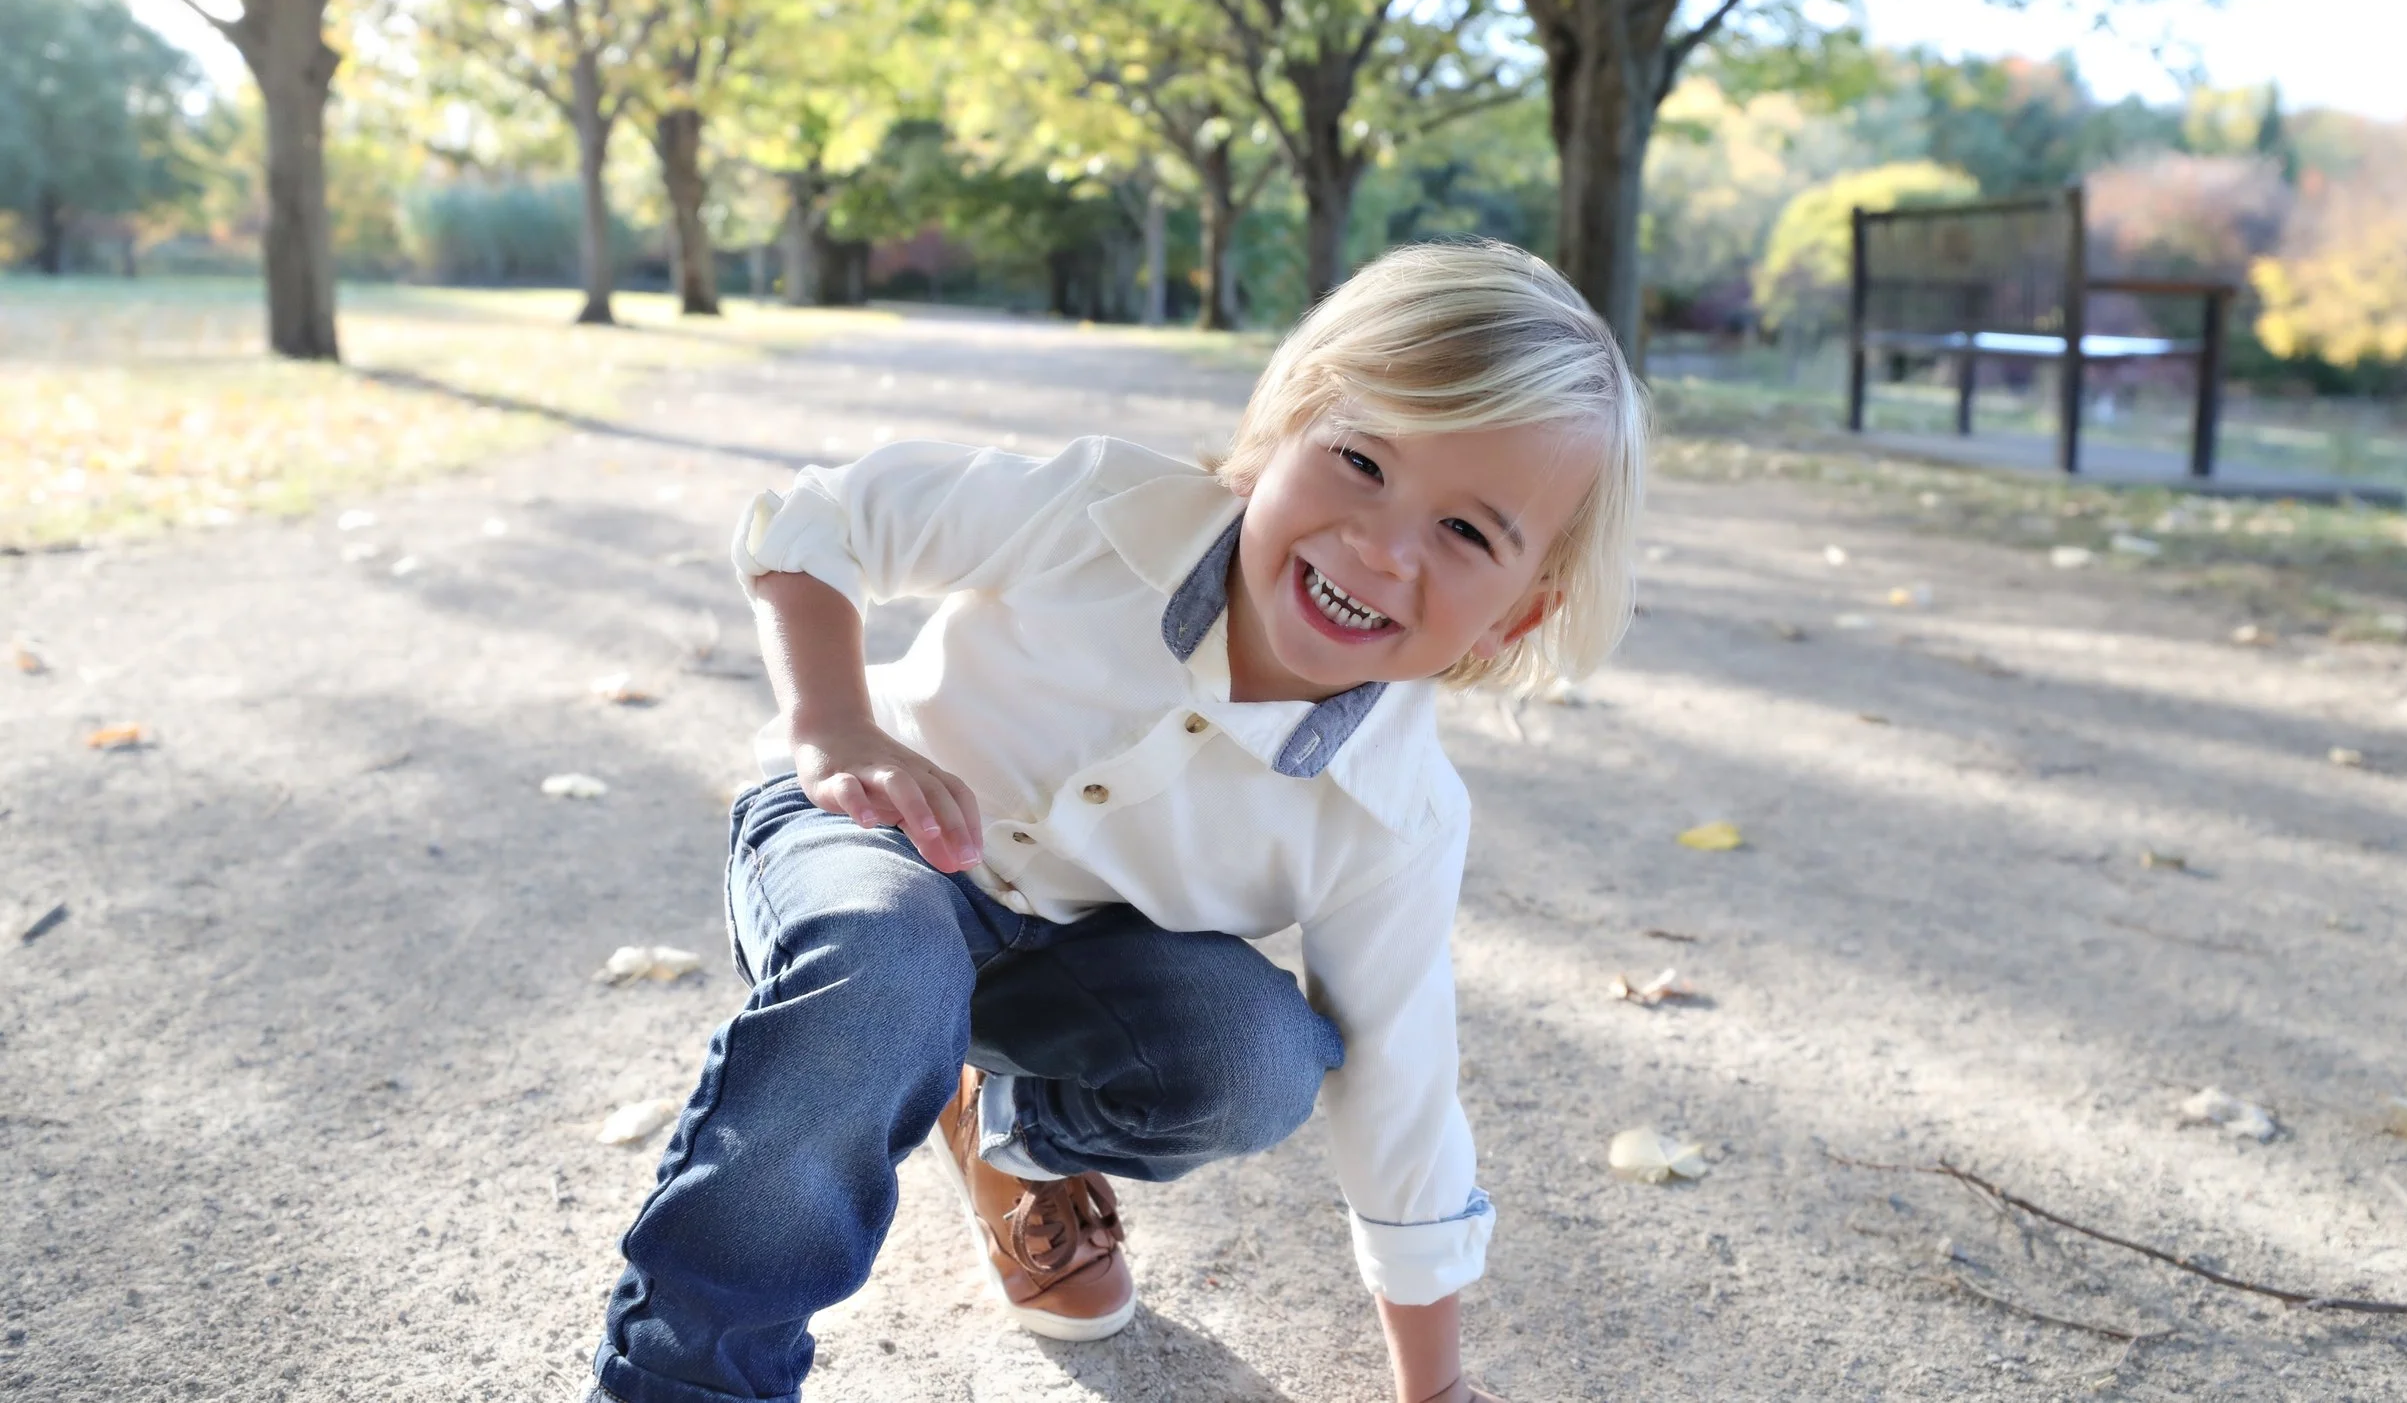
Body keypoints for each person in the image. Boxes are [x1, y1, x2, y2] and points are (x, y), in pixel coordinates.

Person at [586, 241, 1648, 1403]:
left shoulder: (1395, 815)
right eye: (1359, 459)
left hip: (1069, 968)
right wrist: (838, 723)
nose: (1381, 545)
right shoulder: (1095, 510)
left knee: (1259, 1057)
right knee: (885, 968)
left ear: (1519, 609)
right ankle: (684, 1379)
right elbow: (820, 518)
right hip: (861, 840)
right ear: (1284, 428)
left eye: (1467, 533)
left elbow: (1400, 1084)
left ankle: (1009, 1130)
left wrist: (1434, 1388)